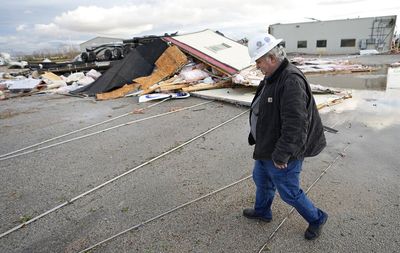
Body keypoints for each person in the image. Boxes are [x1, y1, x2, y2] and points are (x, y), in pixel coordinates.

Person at [243, 33, 328, 240]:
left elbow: (296, 124)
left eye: (259, 61)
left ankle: (317, 218)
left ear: (271, 58)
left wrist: (282, 154)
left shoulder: (290, 81)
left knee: (289, 191)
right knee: (261, 179)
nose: (257, 66)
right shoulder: (271, 77)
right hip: (267, 144)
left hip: (283, 150)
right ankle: (263, 211)